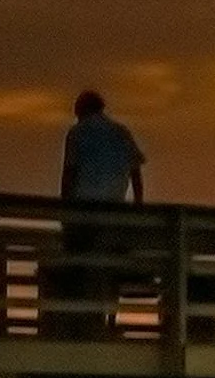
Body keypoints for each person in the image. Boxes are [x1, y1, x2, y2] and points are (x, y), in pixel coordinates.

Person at [54, 90, 147, 338]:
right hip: (115, 212)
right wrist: (138, 206)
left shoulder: (77, 133)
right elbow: (136, 173)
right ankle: (110, 319)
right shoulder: (121, 132)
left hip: (84, 210)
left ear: (81, 110)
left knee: (80, 266)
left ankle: (80, 321)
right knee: (110, 268)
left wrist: (65, 209)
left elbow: (69, 174)